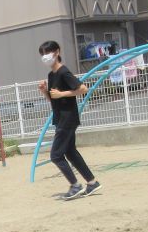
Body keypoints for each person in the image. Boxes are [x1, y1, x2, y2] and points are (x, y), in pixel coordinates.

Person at [37, 40, 102, 200]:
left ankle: (75, 185)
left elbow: (83, 88)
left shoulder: (63, 72)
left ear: (57, 52)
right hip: (61, 118)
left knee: (56, 155)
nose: (45, 57)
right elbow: (54, 99)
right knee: (70, 152)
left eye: (47, 53)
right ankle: (92, 182)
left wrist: (63, 93)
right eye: (42, 54)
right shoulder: (51, 75)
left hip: (68, 118)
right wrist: (45, 92)